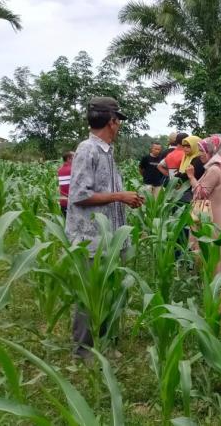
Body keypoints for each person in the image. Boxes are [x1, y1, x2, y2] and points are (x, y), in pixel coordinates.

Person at [65, 96, 144, 359]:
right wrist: (120, 196)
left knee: (110, 291)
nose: (119, 126)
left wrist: (125, 198)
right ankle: (83, 351)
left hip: (111, 237)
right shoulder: (88, 149)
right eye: (118, 121)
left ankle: (105, 344)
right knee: (90, 294)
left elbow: (105, 191)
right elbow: (79, 194)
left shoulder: (106, 152)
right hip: (92, 239)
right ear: (111, 122)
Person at [186, 134, 221, 272]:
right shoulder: (219, 167)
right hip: (214, 210)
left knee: (207, 244)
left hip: (208, 213)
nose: (200, 154)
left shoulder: (214, 170)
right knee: (214, 243)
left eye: (203, 150)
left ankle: (208, 275)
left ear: (213, 151)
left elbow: (201, 192)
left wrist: (191, 176)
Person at [58, 151, 74, 216]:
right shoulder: (72, 169)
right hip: (72, 202)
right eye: (74, 158)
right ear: (68, 159)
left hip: (63, 202)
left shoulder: (60, 170)